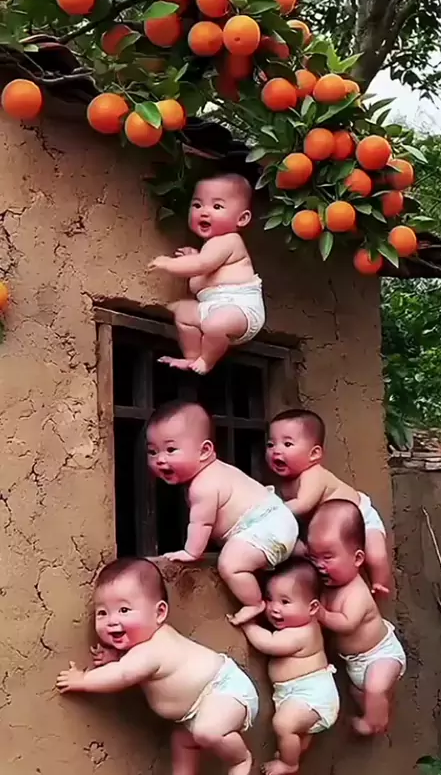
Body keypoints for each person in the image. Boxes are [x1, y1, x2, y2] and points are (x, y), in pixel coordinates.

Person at [56, 557, 259, 775]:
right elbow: (129, 664)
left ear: (159, 613)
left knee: (206, 731)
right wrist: (115, 658)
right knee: (183, 740)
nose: (112, 620)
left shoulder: (154, 649)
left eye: (124, 610)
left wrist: (83, 680)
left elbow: (123, 674)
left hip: (224, 690)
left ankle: (240, 760)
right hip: (199, 706)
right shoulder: (142, 647)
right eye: (102, 613)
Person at [146, 400, 298, 625]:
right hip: (276, 520)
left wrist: (191, 552)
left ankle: (254, 603)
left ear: (205, 451)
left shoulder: (203, 485)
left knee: (230, 565)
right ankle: (299, 549)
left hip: (265, 526)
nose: (160, 459)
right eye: (152, 451)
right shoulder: (216, 472)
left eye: (171, 450)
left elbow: (202, 523)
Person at [148, 173, 265, 374]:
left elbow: (202, 265)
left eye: (217, 206)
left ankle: (207, 361)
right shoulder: (208, 250)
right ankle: (191, 357)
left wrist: (169, 264)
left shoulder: (230, 241)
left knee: (215, 324)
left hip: (240, 310)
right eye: (197, 205)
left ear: (242, 218)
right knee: (182, 312)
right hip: (212, 307)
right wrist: (193, 258)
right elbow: (202, 272)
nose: (204, 212)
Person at [307, 500, 406, 736]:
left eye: (328, 557)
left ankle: (375, 723)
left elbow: (347, 624)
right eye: (314, 557)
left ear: (358, 558)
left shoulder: (356, 593)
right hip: (355, 663)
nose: (319, 565)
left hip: (380, 655)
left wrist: (322, 614)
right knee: (364, 693)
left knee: (375, 687)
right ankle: (376, 705)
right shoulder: (330, 586)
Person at [266, 409, 390, 595]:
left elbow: (302, 505)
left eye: (288, 444)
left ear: (314, 454)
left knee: (375, 554)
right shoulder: (283, 484)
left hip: (360, 517)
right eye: (270, 444)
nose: (276, 450)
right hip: (330, 529)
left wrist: (269, 511)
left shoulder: (314, 475)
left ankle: (379, 583)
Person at [241, 558, 339, 775]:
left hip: (313, 696)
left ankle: (290, 764)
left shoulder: (303, 632)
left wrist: (247, 624)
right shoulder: (296, 627)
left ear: (313, 608)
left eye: (285, 602)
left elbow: (268, 643)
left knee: (283, 724)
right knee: (292, 730)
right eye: (269, 599)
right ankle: (295, 750)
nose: (275, 608)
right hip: (296, 695)